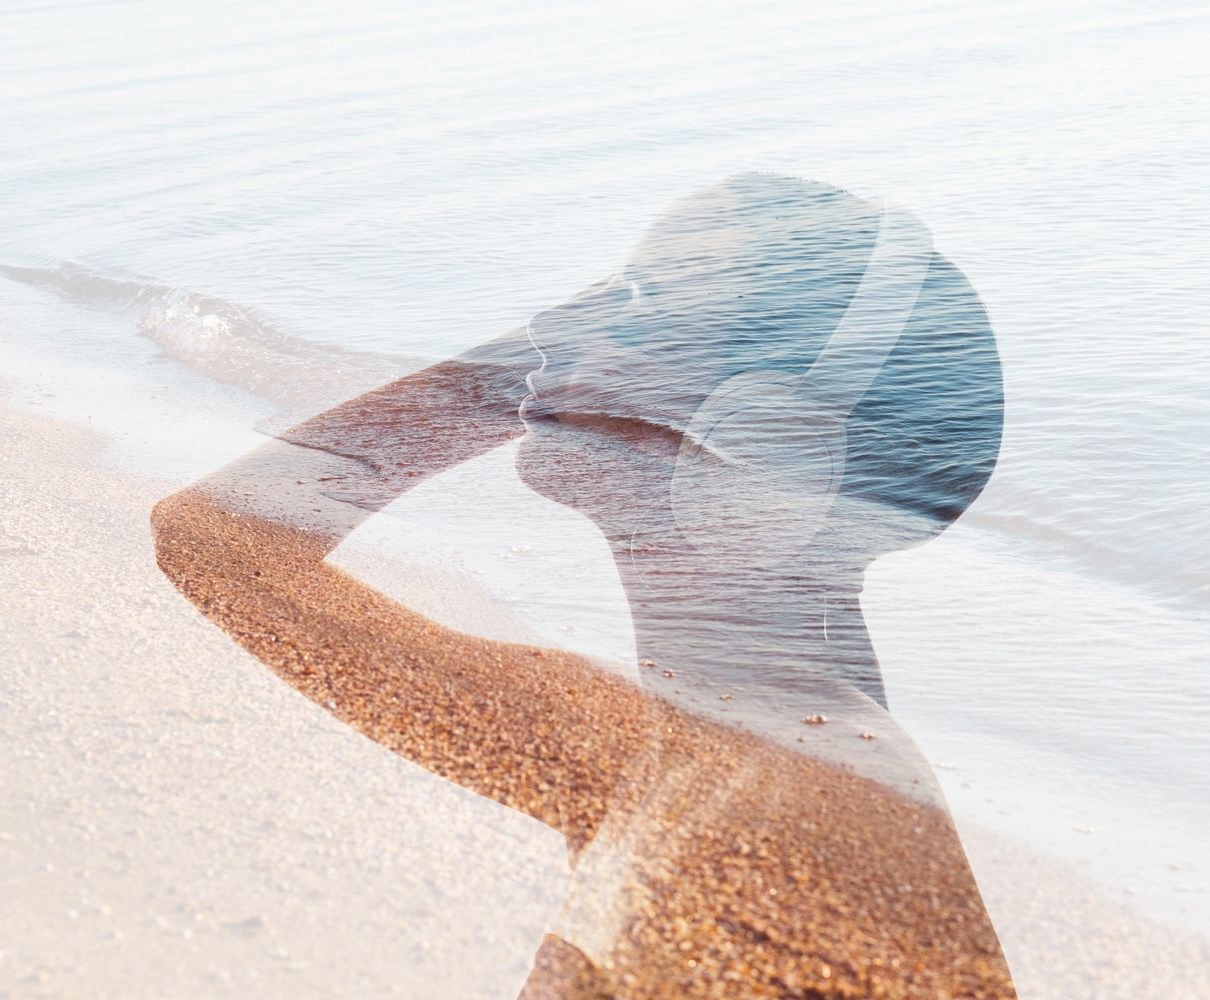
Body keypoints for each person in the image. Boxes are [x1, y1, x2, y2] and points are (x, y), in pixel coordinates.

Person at [152, 173, 1017, 998]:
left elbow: (218, 540)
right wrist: (583, 368)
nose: (554, 325)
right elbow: (215, 539)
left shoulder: (752, 774)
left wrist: (504, 382)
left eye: (634, 309)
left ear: (762, 443)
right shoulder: (754, 737)